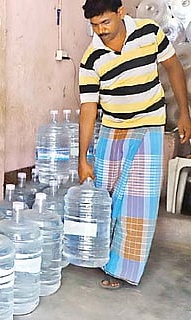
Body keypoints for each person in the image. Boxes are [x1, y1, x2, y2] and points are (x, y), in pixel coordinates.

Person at [78, 0, 191, 289]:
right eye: (94, 26)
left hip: (148, 128)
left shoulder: (149, 33)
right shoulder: (91, 59)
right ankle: (102, 257)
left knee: (137, 203)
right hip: (113, 130)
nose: (100, 30)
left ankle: (121, 270)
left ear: (120, 13)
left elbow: (174, 68)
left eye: (105, 22)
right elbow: (89, 108)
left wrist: (184, 113)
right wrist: (83, 157)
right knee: (106, 198)